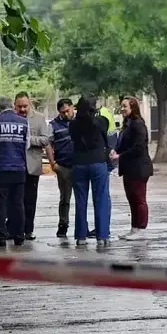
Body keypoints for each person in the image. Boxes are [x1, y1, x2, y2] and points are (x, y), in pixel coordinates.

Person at [0, 96, 30, 248]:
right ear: (12, 106)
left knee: (0, 205)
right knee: (18, 204)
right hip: (19, 169)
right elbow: (27, 145)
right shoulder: (24, 122)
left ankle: (1, 237)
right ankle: (19, 236)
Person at [45, 99, 97, 239]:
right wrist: (53, 164)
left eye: (68, 110)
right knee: (65, 198)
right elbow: (48, 144)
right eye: (63, 112)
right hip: (63, 166)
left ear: (73, 108)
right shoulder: (53, 125)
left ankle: (83, 227)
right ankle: (63, 225)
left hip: (80, 164)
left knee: (82, 198)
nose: (66, 114)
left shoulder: (80, 121)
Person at [69, 94, 112, 245]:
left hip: (79, 163)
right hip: (97, 162)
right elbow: (105, 137)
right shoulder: (101, 121)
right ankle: (102, 235)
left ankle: (81, 236)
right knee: (101, 199)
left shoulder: (73, 124)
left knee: (80, 201)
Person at [110, 96, 153, 240]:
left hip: (139, 167)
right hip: (129, 168)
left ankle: (141, 228)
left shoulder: (138, 124)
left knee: (139, 199)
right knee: (132, 198)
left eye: (125, 106)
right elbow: (122, 142)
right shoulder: (127, 124)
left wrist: (120, 155)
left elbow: (139, 147)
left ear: (133, 108)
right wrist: (115, 150)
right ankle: (134, 228)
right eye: (121, 106)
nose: (122, 109)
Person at [13, 91, 49, 240]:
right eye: (19, 106)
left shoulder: (39, 118)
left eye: (25, 106)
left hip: (32, 166)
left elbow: (46, 139)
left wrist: (29, 139)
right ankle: (15, 230)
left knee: (30, 200)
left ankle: (28, 230)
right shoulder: (12, 119)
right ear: (14, 106)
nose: (22, 109)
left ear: (30, 104)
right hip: (15, 166)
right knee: (15, 200)